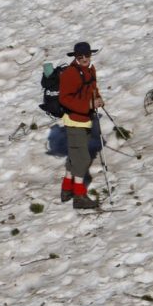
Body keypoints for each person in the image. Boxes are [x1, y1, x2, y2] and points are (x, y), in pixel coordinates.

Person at [58, 42, 105, 210]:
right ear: (75, 57)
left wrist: (98, 99)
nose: (84, 59)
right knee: (83, 159)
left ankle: (66, 189)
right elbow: (64, 99)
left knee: (75, 156)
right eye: (80, 57)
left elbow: (93, 88)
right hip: (74, 120)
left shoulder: (90, 69)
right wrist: (89, 105)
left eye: (87, 55)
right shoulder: (70, 74)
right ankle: (79, 196)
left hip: (85, 119)